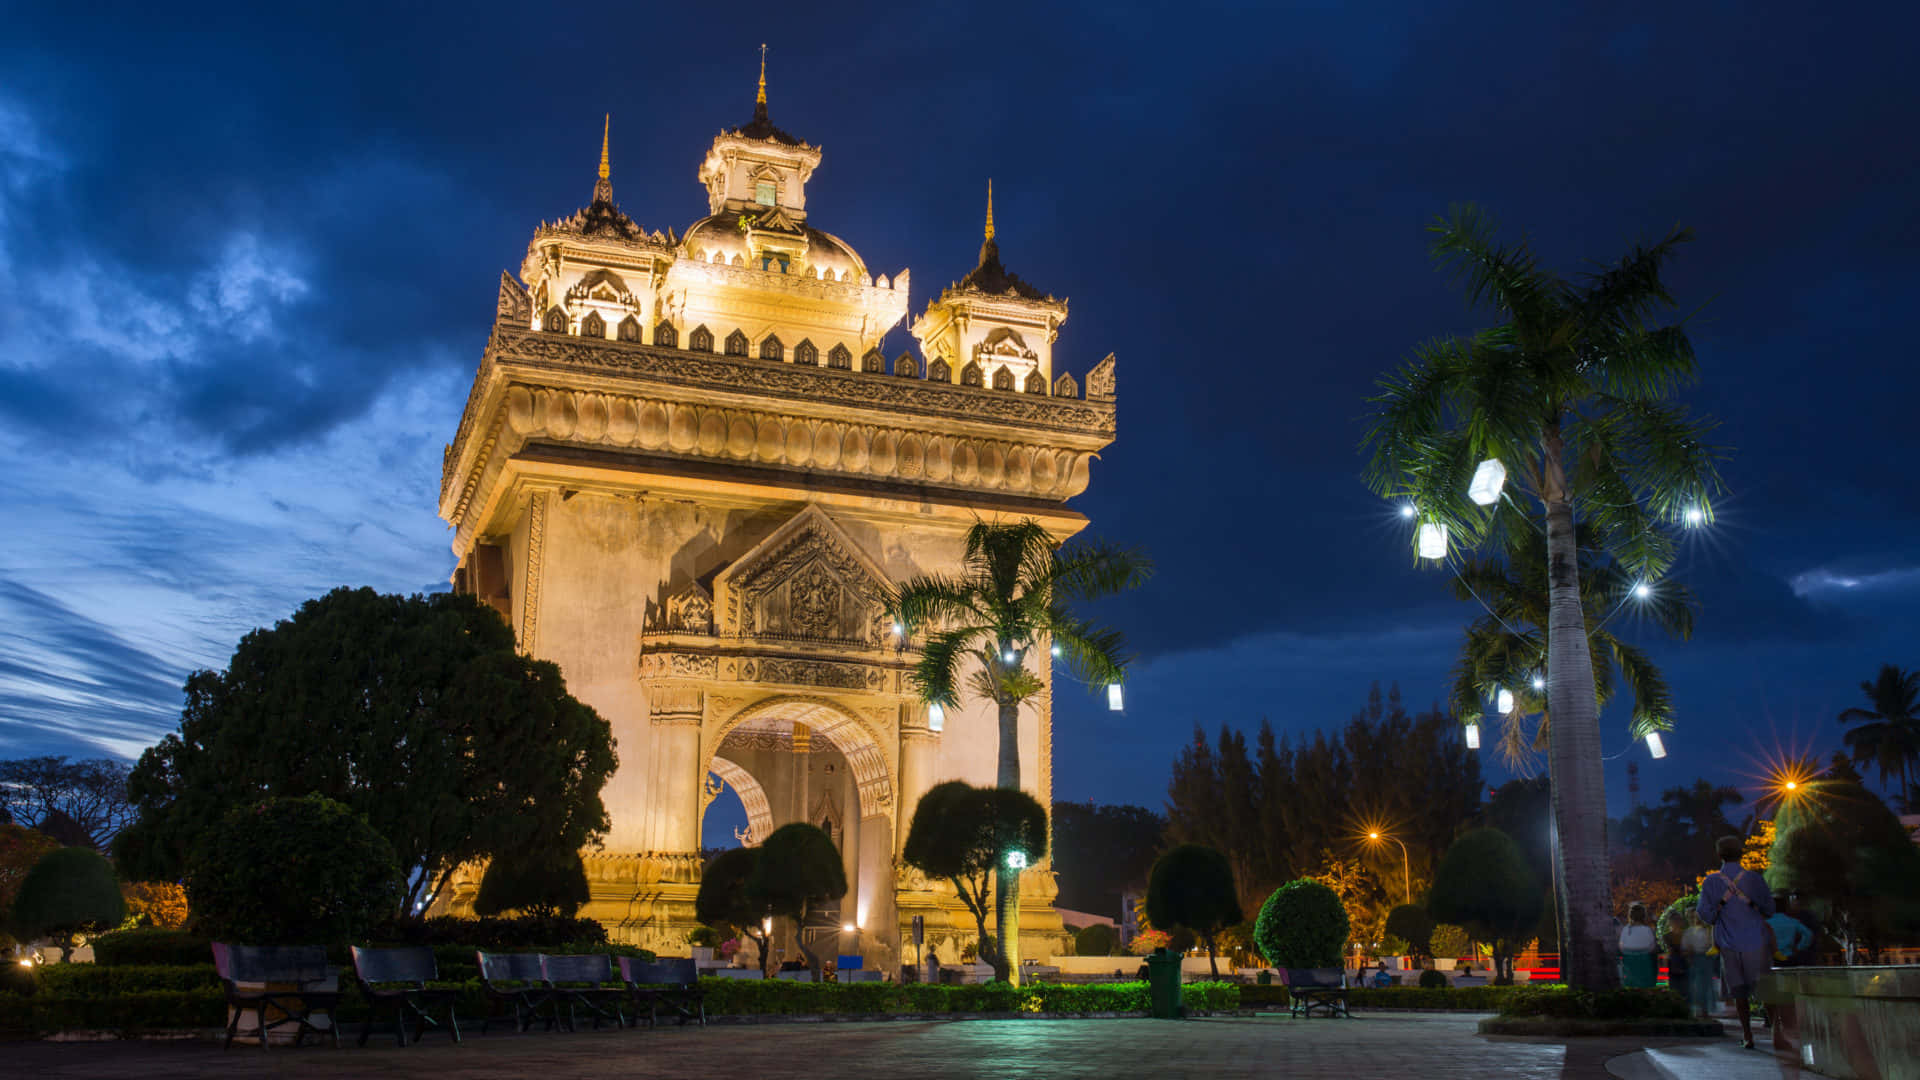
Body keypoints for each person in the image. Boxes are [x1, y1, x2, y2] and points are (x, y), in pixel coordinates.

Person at [1698, 834, 1775, 1049]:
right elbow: (1769, 909)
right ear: (1741, 853)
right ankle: (1779, 1033)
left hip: (1729, 944)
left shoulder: (1711, 882)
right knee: (1765, 990)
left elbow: (1705, 914)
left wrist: (1720, 912)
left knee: (1739, 992)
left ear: (1719, 855)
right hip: (1756, 942)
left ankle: (1748, 1035)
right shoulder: (1755, 879)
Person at [1681, 912, 1717, 1019]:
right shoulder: (1690, 932)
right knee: (1695, 985)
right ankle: (1696, 1009)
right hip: (1695, 958)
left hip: (1705, 958)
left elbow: (1712, 945)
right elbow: (1685, 946)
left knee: (1704, 985)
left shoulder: (1707, 931)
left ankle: (1704, 1009)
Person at [1619, 902, 1658, 988]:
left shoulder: (1626, 930)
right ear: (1644, 916)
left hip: (1629, 962)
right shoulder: (1647, 930)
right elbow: (1652, 946)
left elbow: (1621, 947)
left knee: (1631, 987)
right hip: (1644, 961)